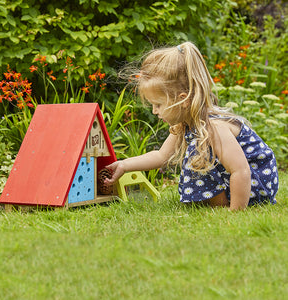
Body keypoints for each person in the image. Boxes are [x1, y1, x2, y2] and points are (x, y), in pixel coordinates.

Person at [104, 42, 279, 210]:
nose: (154, 111)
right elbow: (161, 156)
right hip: (241, 180)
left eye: (158, 105)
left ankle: (227, 206)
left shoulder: (214, 127)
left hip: (255, 183)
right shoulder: (186, 124)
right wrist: (125, 165)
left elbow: (241, 170)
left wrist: (236, 213)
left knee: (199, 157)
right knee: (198, 155)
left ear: (183, 100)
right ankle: (217, 204)